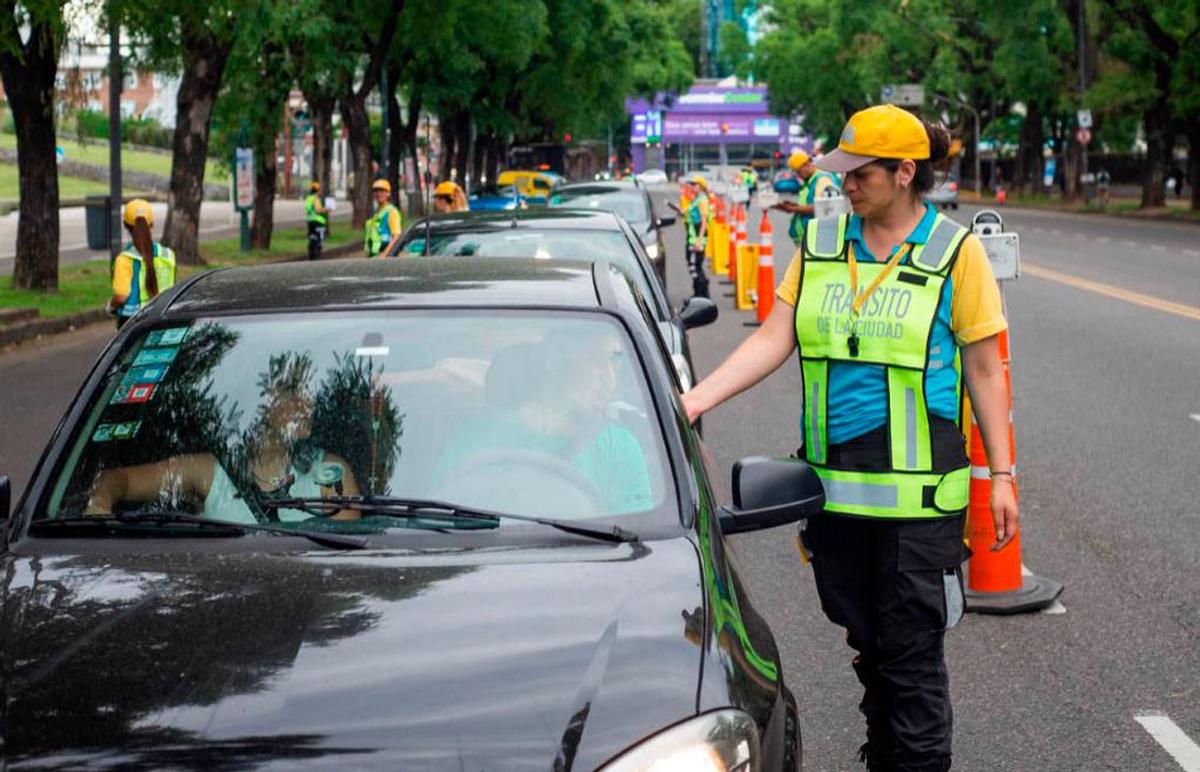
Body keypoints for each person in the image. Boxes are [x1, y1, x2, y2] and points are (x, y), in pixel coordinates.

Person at [682, 104, 1017, 772]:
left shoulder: (956, 253)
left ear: (904, 172)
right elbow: (777, 335)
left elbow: (984, 367)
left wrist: (1003, 477)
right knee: (870, 650)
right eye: (842, 173)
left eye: (860, 174)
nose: (846, 185)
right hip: (836, 497)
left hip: (919, 506)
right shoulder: (824, 244)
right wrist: (694, 400)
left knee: (912, 659)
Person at [86, 355, 360, 523]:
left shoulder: (331, 476)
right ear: (259, 403)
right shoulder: (207, 471)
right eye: (291, 391)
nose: (306, 402)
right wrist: (99, 505)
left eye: (307, 391)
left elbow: (349, 564)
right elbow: (116, 481)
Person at [432, 331, 653, 515]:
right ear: (555, 360)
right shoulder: (472, 435)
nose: (609, 379)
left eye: (615, 364)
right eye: (595, 359)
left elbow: (635, 544)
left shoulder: (618, 447)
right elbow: (440, 518)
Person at [106, 199, 176, 330]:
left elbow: (121, 297)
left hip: (132, 324)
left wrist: (110, 306)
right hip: (163, 317)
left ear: (126, 225)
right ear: (151, 224)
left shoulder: (125, 259)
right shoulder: (168, 255)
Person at [773, 150, 841, 246]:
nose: (798, 175)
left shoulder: (822, 179)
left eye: (798, 171)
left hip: (817, 240)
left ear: (807, 164)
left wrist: (791, 208)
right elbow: (809, 204)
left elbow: (822, 208)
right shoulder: (810, 181)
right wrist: (792, 206)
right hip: (809, 240)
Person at [683, 174, 711, 298]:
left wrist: (699, 241)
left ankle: (702, 293)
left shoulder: (702, 200)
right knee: (692, 263)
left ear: (700, 186)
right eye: (691, 184)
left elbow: (704, 221)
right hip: (692, 235)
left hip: (697, 237)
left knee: (695, 264)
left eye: (694, 184)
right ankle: (698, 292)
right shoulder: (696, 199)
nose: (692, 186)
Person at [364, 179, 403, 258]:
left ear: (388, 193)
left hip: (385, 258)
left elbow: (396, 236)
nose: (379, 194)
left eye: (382, 191)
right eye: (376, 191)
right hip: (374, 256)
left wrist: (384, 254)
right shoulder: (377, 212)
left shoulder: (392, 212)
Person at [305, 181, 329, 260]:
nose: (320, 191)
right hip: (317, 221)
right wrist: (326, 210)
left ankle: (311, 252)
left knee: (311, 237)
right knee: (318, 238)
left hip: (310, 221)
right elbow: (318, 210)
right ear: (317, 190)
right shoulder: (315, 198)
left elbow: (309, 209)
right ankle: (316, 253)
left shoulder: (308, 198)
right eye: (320, 190)